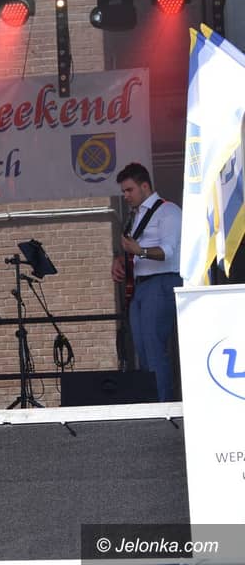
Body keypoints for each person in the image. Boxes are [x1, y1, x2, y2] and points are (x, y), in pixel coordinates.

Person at [110, 163, 182, 402]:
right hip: (140, 286)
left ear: (144, 186)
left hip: (161, 282)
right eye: (123, 191)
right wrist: (120, 260)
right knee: (141, 349)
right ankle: (151, 402)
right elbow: (133, 249)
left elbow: (168, 251)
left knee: (154, 347)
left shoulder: (168, 211)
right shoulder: (135, 215)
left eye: (129, 190)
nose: (125, 195)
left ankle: (163, 405)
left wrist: (139, 251)